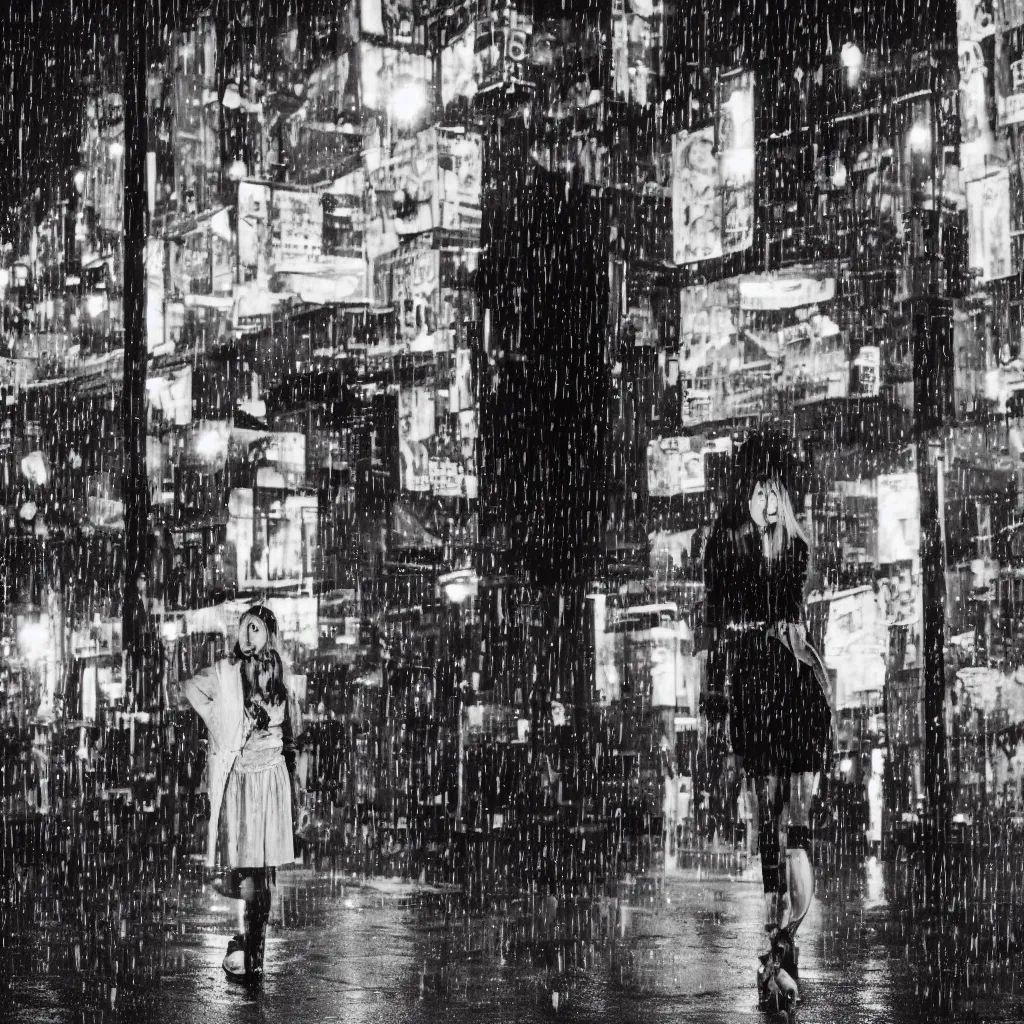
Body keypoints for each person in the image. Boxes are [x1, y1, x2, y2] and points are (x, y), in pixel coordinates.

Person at [703, 430, 833, 1015]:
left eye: (777, 491)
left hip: (791, 685)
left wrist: (766, 540)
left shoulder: (793, 550)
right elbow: (721, 615)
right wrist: (715, 702)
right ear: (744, 495)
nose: (770, 501)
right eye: (760, 491)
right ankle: (777, 941)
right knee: (768, 808)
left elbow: (783, 602)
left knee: (796, 813)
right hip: (755, 689)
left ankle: (785, 944)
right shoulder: (726, 549)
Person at [183, 605, 297, 986]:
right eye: (244, 628)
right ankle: (248, 947)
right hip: (243, 779)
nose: (248, 636)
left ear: (268, 634)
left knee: (262, 874)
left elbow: (290, 737)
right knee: (248, 872)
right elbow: (192, 688)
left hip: (271, 780)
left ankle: (253, 952)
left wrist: (296, 788)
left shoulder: (279, 675)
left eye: (256, 628)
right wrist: (219, 724)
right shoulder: (229, 672)